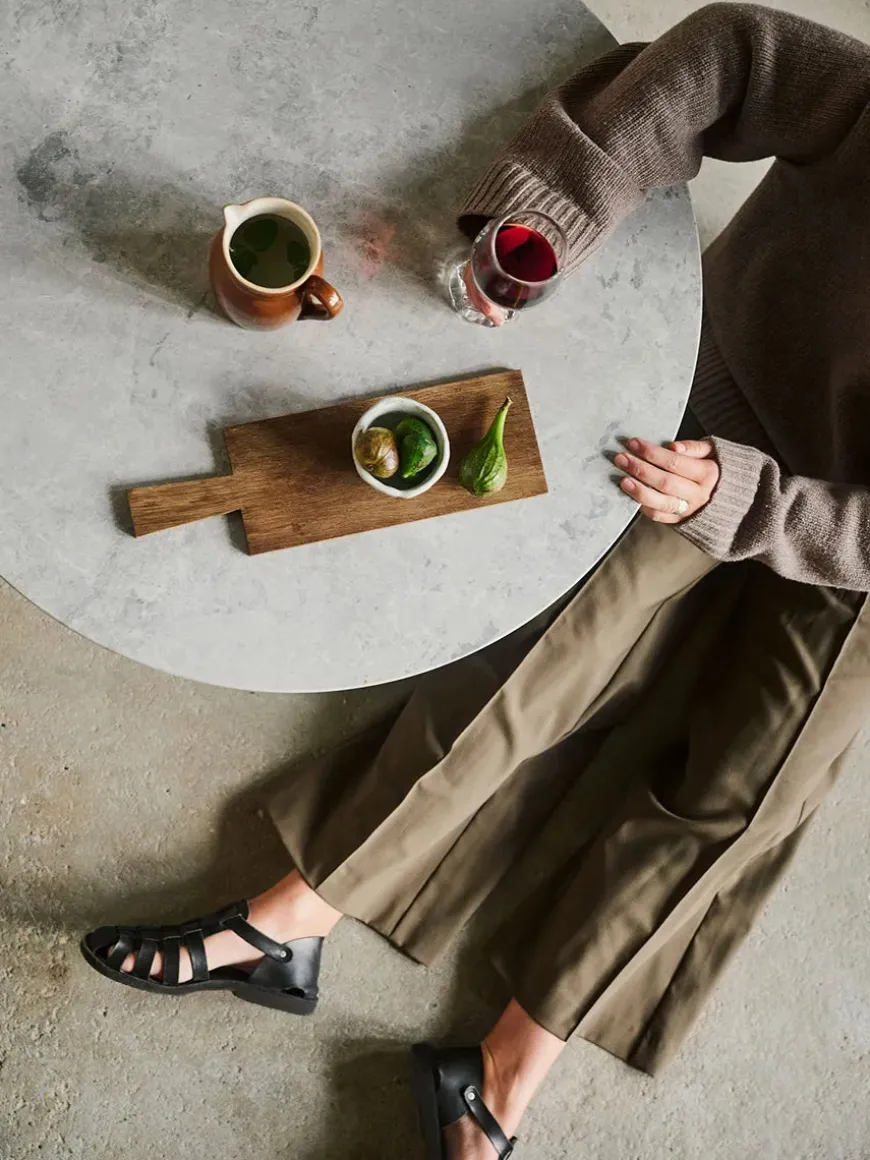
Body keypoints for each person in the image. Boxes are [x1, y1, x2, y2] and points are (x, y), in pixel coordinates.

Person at [81, 5, 870, 1158]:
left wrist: (765, 512)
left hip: (855, 561)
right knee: (550, 658)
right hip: (722, 401)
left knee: (743, 798)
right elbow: (730, 56)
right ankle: (294, 920)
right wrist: (556, 210)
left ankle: (503, 1071)